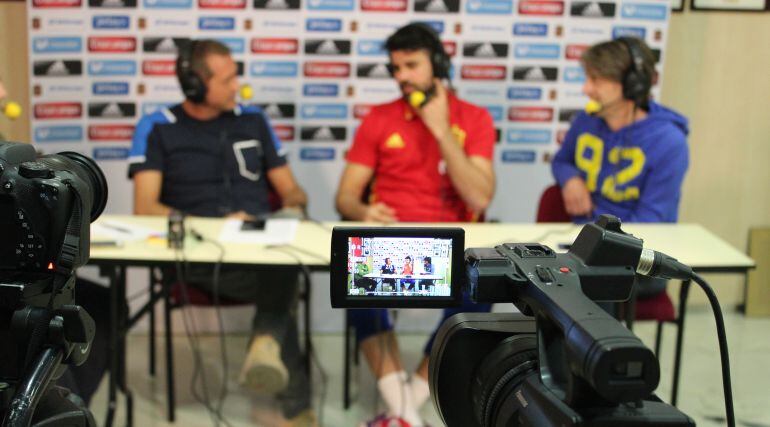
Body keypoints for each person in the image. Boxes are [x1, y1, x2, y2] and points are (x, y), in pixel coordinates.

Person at [128, 39, 314, 426]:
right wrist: (213, 226)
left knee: (285, 262)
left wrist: (293, 207)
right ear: (195, 85)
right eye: (228, 80)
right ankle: (291, 397)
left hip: (261, 248)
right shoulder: (158, 126)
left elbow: (292, 189)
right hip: (199, 257)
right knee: (284, 276)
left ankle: (267, 347)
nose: (237, 87)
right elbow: (145, 207)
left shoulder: (254, 120)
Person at [335, 23, 496, 427]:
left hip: (453, 245)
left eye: (411, 65)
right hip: (389, 240)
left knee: (480, 289)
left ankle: (404, 406)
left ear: (437, 64)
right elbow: (346, 197)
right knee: (357, 286)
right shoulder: (380, 117)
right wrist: (362, 211)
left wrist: (441, 131)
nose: (401, 76)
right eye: (396, 68)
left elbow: (480, 198)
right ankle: (407, 411)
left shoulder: (474, 118)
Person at [551, 37, 689, 307]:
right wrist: (571, 180)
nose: (586, 88)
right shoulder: (586, 121)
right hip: (583, 246)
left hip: (638, 260)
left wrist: (598, 248)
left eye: (596, 80)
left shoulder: (669, 141)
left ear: (632, 84)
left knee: (581, 289)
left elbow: (650, 221)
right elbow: (561, 161)